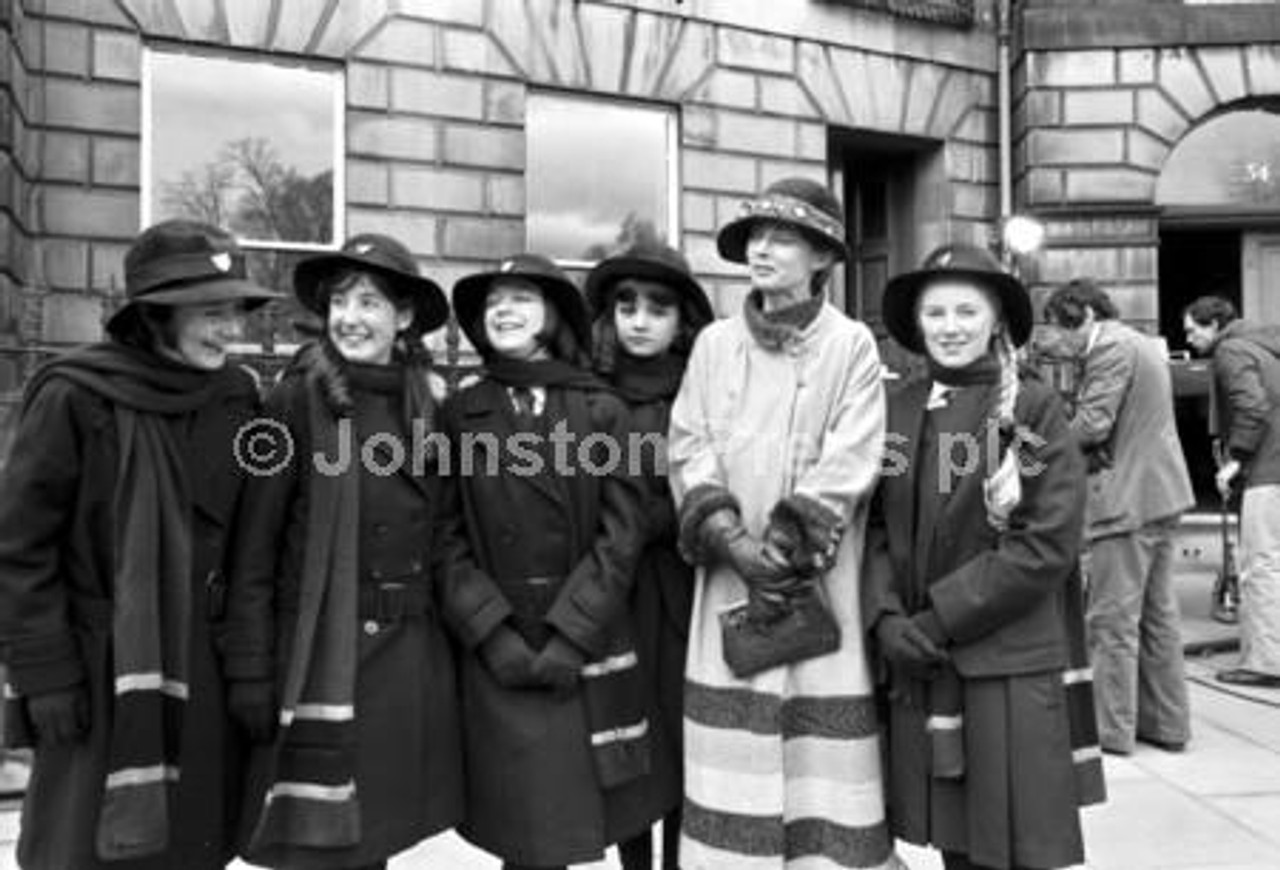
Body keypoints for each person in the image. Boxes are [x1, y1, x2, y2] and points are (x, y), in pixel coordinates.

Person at [0, 219, 282, 870]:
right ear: (156, 315)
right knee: (87, 847)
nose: (230, 330)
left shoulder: (239, 396)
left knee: (190, 844)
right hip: (99, 675)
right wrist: (45, 673)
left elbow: (274, 498)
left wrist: (322, 398)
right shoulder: (73, 396)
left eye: (234, 312)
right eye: (211, 314)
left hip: (205, 672)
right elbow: (20, 549)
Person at [667, 177, 898, 870]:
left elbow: (853, 453)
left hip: (816, 578)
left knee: (822, 768)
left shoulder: (852, 345)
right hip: (730, 580)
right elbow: (687, 443)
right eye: (756, 238)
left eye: (783, 238)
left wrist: (786, 548)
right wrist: (733, 544)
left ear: (822, 256)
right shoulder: (712, 343)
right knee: (731, 750)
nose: (763, 250)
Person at [224, 234, 464, 869]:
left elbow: (440, 529)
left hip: (404, 659)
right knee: (316, 845)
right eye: (339, 302)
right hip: (320, 653)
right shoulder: (293, 399)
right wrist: (249, 665)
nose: (350, 319)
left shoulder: (427, 404)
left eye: (369, 303)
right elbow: (255, 546)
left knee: (373, 838)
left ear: (404, 317)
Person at [865, 243, 1102, 870]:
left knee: (1016, 850)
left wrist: (939, 618)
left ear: (996, 319)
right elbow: (877, 530)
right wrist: (885, 617)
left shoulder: (1030, 411)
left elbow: (1045, 541)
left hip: (1004, 664)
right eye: (935, 313)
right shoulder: (898, 411)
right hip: (921, 661)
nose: (949, 327)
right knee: (959, 851)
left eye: (966, 311)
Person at [435, 253, 648, 870]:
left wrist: (572, 635)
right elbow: (442, 536)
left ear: (552, 317)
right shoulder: (458, 413)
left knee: (559, 829)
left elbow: (622, 535)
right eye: (494, 301)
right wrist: (489, 632)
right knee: (518, 831)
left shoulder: (602, 411)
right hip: (499, 646)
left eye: (522, 299)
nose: (504, 310)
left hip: (575, 641)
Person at [586, 242, 714, 870]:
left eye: (657, 308)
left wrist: (659, 516)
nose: (639, 320)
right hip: (616, 590)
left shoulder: (705, 389)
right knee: (626, 740)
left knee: (687, 741)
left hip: (689, 585)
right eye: (626, 306)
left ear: (681, 319)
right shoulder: (586, 391)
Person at [1040, 278, 1195, 754]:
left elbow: (1092, 424)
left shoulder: (1109, 348)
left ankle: (1110, 731)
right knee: (1157, 619)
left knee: (1111, 621)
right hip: (1160, 494)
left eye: (1061, 330)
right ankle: (1166, 726)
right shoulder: (1140, 343)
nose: (1059, 342)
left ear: (1084, 315)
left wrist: (1036, 450)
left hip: (1127, 501)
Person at [1183, 295, 1280, 689]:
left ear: (1214, 324)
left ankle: (1266, 663)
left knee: (1261, 565)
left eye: (1192, 329)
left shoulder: (1231, 351)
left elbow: (1253, 407)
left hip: (1268, 470)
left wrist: (1236, 460)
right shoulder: (1263, 345)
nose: (1188, 339)